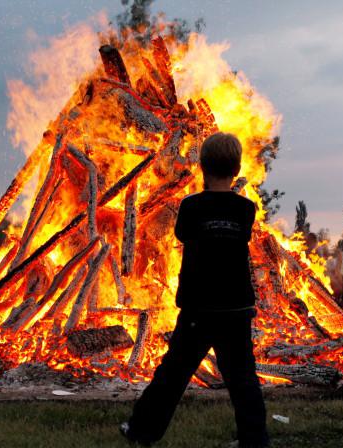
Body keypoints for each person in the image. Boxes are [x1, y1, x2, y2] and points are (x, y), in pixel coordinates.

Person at [121, 133, 269, 447]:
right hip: (235, 308)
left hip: (199, 308)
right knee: (243, 379)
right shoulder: (245, 209)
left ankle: (141, 431)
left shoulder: (191, 206)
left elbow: (183, 234)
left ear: (201, 167)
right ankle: (255, 440)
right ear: (237, 168)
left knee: (173, 375)